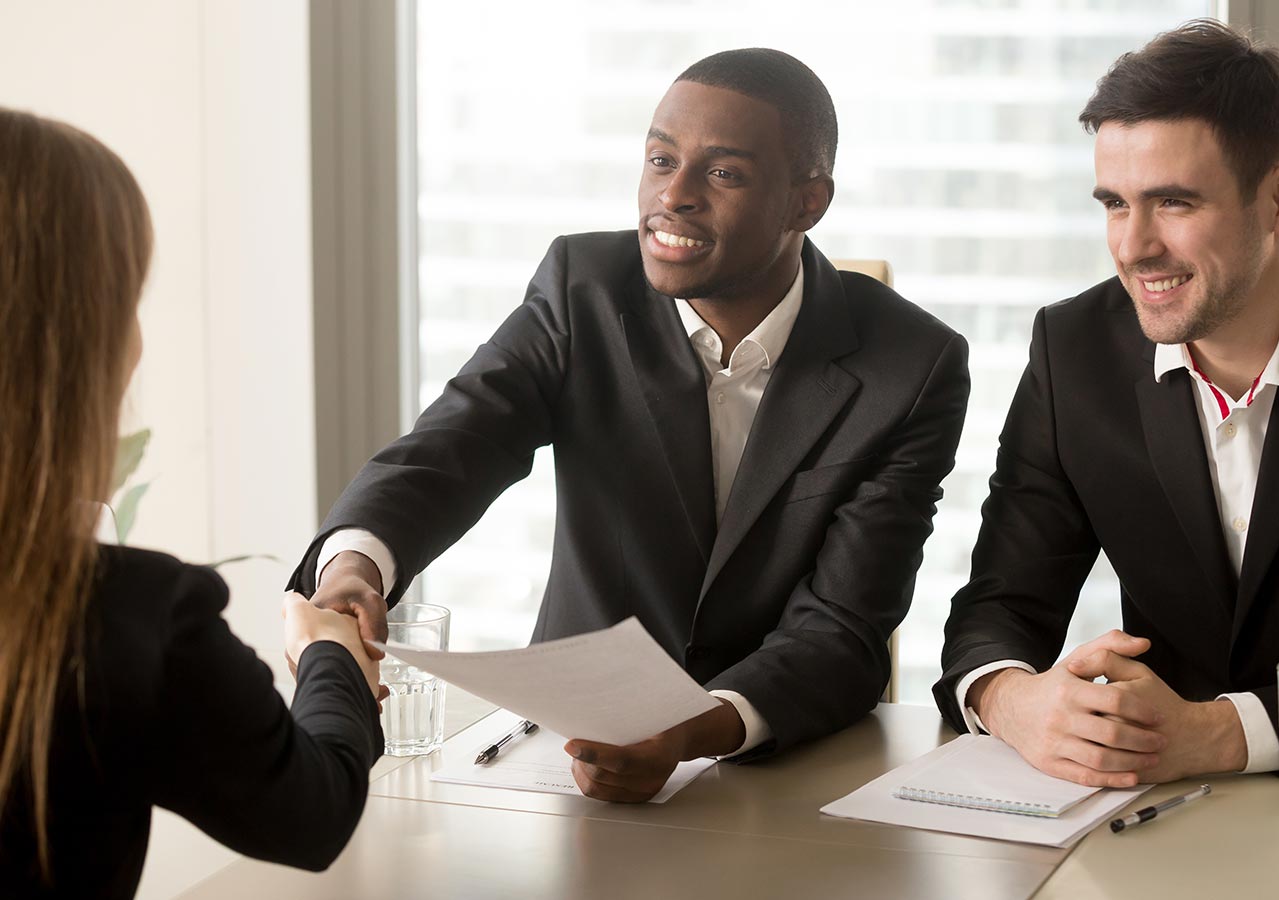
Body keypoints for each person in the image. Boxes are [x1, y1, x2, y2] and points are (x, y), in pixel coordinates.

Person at [292, 48, 970, 801]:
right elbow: (459, 442)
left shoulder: (913, 365)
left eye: (722, 173)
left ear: (806, 204)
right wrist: (356, 565)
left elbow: (842, 627)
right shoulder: (581, 290)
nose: (672, 195)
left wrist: (696, 729)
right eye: (659, 159)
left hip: (786, 762)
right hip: (559, 751)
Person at [936, 19, 1279, 788]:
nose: (1133, 247)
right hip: (1162, 813)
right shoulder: (1071, 353)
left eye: (1173, 203)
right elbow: (998, 607)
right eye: (1113, 203)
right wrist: (1014, 700)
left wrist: (1216, 733)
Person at [0, 108, 385, 898]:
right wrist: (330, 657)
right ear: (80, 343)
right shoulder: (123, 619)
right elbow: (310, 813)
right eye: (129, 300)